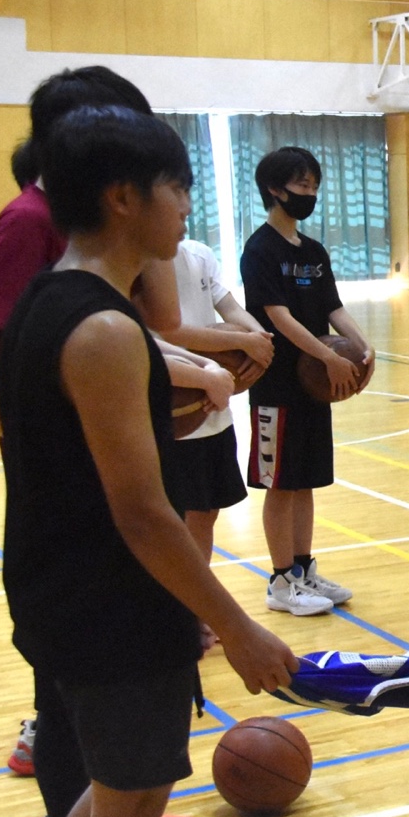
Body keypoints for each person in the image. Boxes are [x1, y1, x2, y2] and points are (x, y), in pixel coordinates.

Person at [0, 104, 296, 817]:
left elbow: (77, 450)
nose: (184, 208)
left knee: (104, 796)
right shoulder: (105, 329)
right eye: (176, 187)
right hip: (115, 604)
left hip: (54, 592)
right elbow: (141, 511)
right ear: (124, 198)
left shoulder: (42, 306)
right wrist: (237, 624)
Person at [0, 67, 204, 817]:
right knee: (83, 702)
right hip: (84, 546)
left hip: (71, 540)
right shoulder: (34, 222)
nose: (179, 198)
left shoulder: (84, 266)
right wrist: (37, 437)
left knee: (74, 686)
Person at [239, 146, 371, 617]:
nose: (310, 193)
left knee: (306, 481)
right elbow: (278, 318)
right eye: (302, 185)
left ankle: (302, 569)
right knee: (280, 484)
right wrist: (327, 356)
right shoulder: (260, 250)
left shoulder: (313, 251)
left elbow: (332, 307)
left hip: (314, 385)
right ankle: (279, 582)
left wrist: (361, 343)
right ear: (275, 190)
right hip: (276, 383)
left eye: (315, 186)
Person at [164, 238, 275, 579]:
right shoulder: (139, 260)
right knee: (175, 516)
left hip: (213, 404)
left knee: (205, 511)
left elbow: (230, 308)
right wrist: (242, 342)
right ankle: (177, 609)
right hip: (174, 401)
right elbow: (172, 333)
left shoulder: (199, 254)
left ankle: (195, 606)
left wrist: (261, 341)